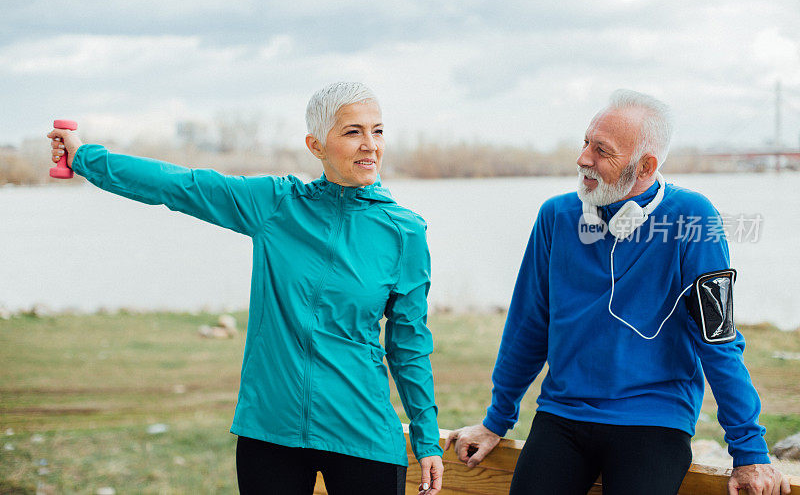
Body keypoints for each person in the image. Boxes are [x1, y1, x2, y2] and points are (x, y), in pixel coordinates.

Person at [49, 81, 444, 495]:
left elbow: (409, 343)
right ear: (316, 145)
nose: (370, 145)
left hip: (363, 434)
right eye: (352, 132)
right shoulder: (277, 206)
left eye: (377, 131)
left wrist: (427, 437)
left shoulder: (404, 232)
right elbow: (181, 185)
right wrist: (85, 157)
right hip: (270, 432)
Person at [445, 89, 790, 495]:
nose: (583, 158)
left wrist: (749, 451)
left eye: (601, 150)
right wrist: (496, 420)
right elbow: (528, 323)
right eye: (585, 143)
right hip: (563, 414)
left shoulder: (694, 218)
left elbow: (719, 337)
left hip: (654, 420)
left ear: (645, 165)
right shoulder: (556, 216)